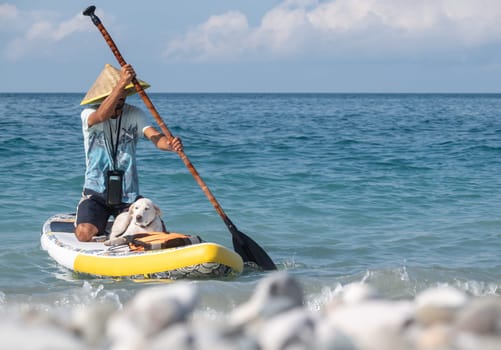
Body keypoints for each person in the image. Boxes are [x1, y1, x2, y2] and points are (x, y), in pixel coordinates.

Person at [75, 63, 183, 242]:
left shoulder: (135, 114)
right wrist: (121, 84)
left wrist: (170, 145)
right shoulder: (89, 113)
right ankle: (102, 230)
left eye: (123, 96)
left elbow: (154, 136)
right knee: (84, 234)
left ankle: (123, 234)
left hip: (128, 196)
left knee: (158, 233)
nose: (120, 102)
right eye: (116, 96)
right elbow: (101, 117)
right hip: (96, 192)